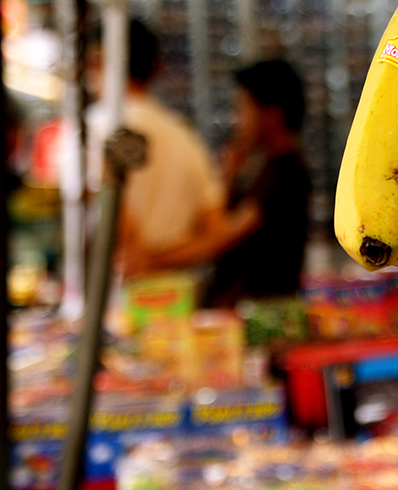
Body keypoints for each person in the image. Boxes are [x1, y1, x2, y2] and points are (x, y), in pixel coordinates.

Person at [134, 58, 312, 309]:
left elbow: (225, 236)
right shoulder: (263, 168)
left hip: (260, 312)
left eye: (242, 108)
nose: (236, 120)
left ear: (272, 115)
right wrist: (228, 176)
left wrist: (154, 260)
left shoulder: (286, 172)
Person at [85, 18, 225, 302]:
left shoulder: (91, 129)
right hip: (179, 299)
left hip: (116, 300)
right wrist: (158, 261)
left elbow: (104, 207)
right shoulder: (185, 137)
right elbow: (215, 235)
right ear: (155, 68)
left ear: (99, 62)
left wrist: (139, 256)